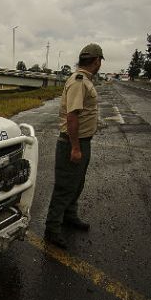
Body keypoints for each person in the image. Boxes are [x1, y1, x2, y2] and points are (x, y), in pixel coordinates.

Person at [44, 43, 104, 249]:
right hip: (72, 143)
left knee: (76, 184)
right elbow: (72, 117)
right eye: (100, 61)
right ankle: (52, 230)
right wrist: (76, 148)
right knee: (64, 187)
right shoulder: (79, 81)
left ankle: (70, 217)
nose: (100, 65)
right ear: (96, 61)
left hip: (82, 142)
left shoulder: (84, 80)